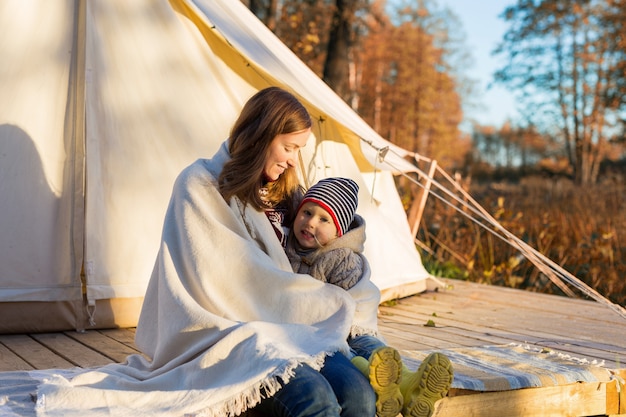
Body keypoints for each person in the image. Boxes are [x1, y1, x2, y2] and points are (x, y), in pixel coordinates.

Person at [35, 87, 380, 417]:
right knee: (315, 400)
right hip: (226, 332)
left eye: (298, 150)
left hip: (292, 327)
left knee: (358, 396)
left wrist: (347, 308)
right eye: (289, 147)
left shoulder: (286, 195)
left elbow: (329, 247)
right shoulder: (199, 184)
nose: (293, 161)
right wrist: (326, 302)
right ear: (262, 135)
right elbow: (234, 278)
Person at [285, 177, 454, 417]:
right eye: (306, 213)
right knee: (355, 360)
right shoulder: (288, 249)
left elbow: (351, 302)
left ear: (338, 232)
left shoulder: (340, 257)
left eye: (324, 219)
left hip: (352, 325)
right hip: (324, 330)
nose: (311, 223)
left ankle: (406, 380)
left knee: (370, 349)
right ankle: (400, 390)